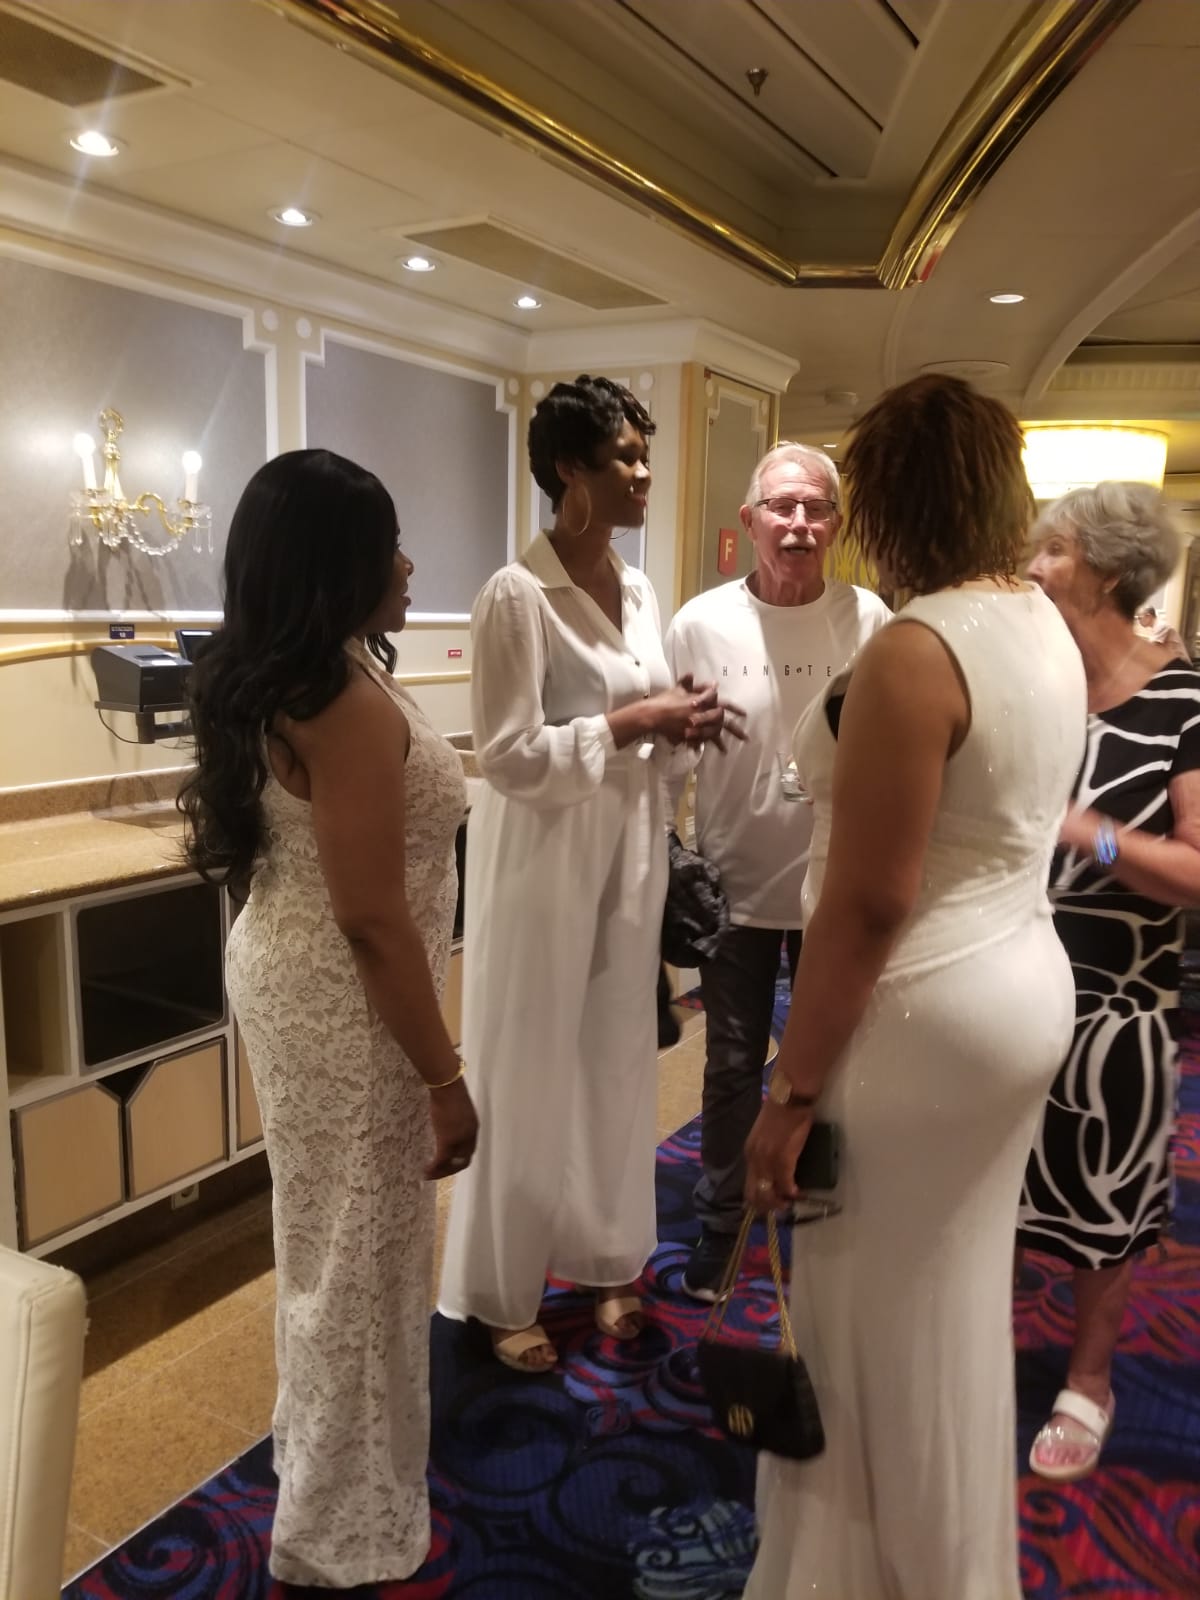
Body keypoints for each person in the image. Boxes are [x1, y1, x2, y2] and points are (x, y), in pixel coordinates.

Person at [739, 374, 1086, 1600]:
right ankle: (944, 1564)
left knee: (866, 1319)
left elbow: (869, 902)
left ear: (889, 500)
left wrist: (790, 1093)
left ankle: (870, 1574)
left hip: (924, 1011)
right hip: (1023, 984)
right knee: (947, 1305)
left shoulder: (914, 647)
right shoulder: (1042, 623)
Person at [179, 449, 478, 1586]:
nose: (407, 564)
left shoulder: (312, 675)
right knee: (360, 1258)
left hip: (304, 977)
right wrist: (446, 1077)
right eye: (387, 545)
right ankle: (339, 1533)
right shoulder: (340, 700)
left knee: (333, 1248)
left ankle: (332, 1475)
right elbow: (373, 920)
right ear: (331, 564)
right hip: (349, 1000)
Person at [437, 375, 740, 1373]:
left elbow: (640, 727)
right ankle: (502, 1288)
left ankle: (610, 1260)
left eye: (647, 456)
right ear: (570, 468)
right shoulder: (515, 595)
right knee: (526, 1067)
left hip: (628, 848)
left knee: (615, 1057)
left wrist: (680, 724)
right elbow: (507, 755)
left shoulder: (639, 588)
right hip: (540, 858)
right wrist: (637, 719)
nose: (644, 474)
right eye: (626, 457)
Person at [664, 442, 890, 1298]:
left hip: (838, 887)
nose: (799, 524)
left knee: (835, 1065)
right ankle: (723, 1226)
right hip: (737, 886)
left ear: (836, 523)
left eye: (815, 508)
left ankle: (823, 1225)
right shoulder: (699, 623)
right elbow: (671, 759)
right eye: (782, 507)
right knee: (730, 1066)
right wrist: (667, 855)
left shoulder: (870, 621)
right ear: (749, 520)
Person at [1018, 482, 1200, 1480]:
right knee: (991, 1177)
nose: (1033, 568)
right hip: (1003, 977)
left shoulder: (1185, 699)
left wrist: (1083, 830)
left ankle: (1089, 1379)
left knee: (1102, 1190)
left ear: (1108, 569)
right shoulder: (1033, 683)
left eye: (1052, 550)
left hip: (1117, 1000)